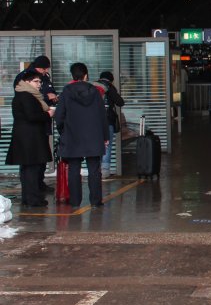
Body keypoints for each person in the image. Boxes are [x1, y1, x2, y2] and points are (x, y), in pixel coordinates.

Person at [54, 63, 108, 208]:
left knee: (73, 170)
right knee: (94, 171)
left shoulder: (66, 91)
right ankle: (96, 201)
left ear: (72, 75)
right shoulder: (95, 91)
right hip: (94, 137)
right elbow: (102, 115)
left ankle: (75, 201)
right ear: (86, 75)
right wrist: (105, 136)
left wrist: (63, 131)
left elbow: (59, 116)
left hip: (72, 136)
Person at [5, 70, 54, 208]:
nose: (39, 84)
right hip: (30, 138)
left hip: (26, 137)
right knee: (32, 169)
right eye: (36, 81)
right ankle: (33, 199)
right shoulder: (27, 96)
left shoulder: (24, 95)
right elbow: (32, 116)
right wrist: (48, 114)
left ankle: (28, 198)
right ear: (27, 82)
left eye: (40, 81)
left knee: (27, 169)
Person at [97, 70, 125, 177]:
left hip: (93, 122)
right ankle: (104, 171)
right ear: (111, 80)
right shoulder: (109, 86)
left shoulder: (92, 86)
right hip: (107, 120)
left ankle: (96, 169)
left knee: (96, 145)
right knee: (106, 145)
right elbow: (120, 102)